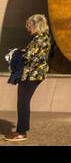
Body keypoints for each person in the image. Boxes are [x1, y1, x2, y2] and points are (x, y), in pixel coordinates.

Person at [6, 14, 52, 142]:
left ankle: (21, 133)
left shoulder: (40, 39)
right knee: (23, 102)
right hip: (34, 74)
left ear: (36, 25)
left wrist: (16, 54)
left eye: (29, 25)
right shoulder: (43, 37)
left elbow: (30, 58)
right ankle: (21, 130)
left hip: (32, 75)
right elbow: (33, 54)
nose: (27, 28)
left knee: (23, 103)